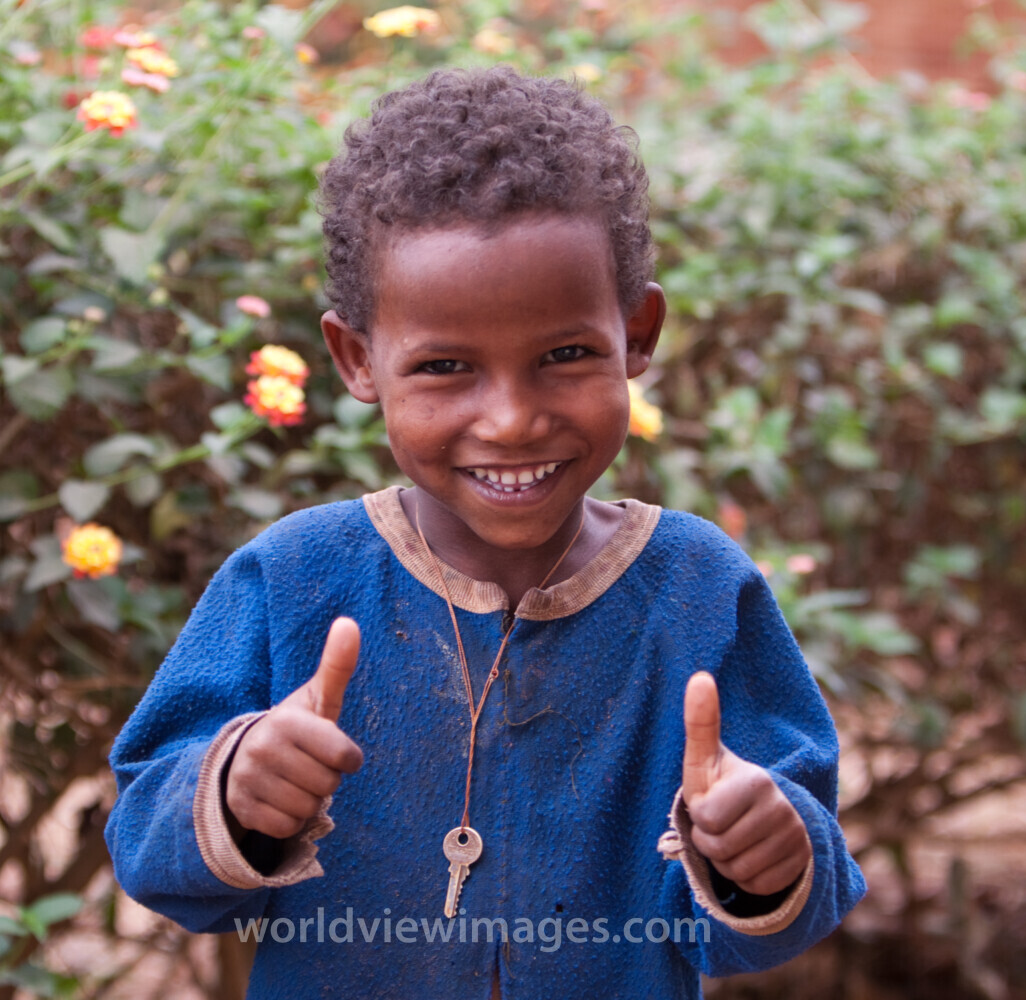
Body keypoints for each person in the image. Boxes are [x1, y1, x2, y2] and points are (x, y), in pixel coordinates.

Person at [105, 66, 865, 998]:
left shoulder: (699, 589)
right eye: (446, 367)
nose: (510, 420)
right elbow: (145, 836)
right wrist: (232, 792)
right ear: (357, 358)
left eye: (565, 354)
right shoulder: (294, 577)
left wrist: (763, 851)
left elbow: (797, 885)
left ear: (637, 333)